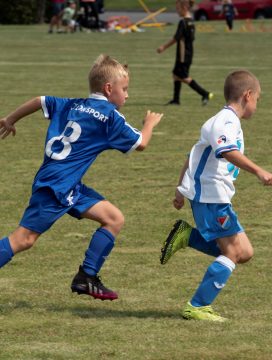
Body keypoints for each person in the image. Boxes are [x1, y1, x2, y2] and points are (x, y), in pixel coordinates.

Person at [0, 54, 163, 301]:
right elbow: (141, 143)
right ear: (109, 89)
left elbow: (40, 100)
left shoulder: (70, 104)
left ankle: (86, 277)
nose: (127, 95)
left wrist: (10, 118)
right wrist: (149, 123)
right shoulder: (110, 117)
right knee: (23, 239)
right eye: (125, 89)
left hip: (67, 186)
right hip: (56, 187)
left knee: (114, 219)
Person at [160, 70, 272, 321]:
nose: (257, 104)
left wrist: (180, 189)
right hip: (210, 197)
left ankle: (188, 236)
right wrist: (259, 170)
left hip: (214, 196)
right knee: (234, 252)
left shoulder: (227, 121)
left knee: (244, 252)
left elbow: (192, 154)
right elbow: (227, 152)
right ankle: (198, 306)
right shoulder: (225, 122)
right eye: (257, 99)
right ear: (247, 95)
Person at [157, 0, 213, 106]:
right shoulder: (191, 21)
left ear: (184, 8)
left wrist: (163, 47)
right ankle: (176, 100)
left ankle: (205, 93)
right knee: (175, 74)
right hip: (188, 53)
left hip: (183, 56)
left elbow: (176, 38)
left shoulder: (183, 22)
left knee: (183, 76)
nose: (177, 11)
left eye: (178, 8)